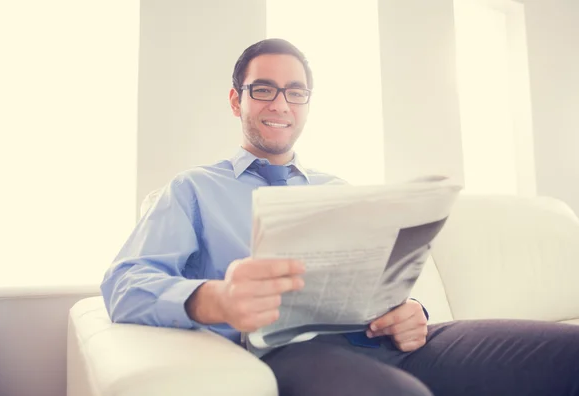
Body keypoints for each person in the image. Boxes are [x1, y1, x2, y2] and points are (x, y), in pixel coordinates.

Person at [101, 38, 579, 396]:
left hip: (398, 343)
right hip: (292, 354)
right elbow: (124, 282)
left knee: (566, 353)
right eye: (263, 89)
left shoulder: (337, 191)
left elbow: (384, 284)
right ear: (236, 100)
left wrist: (409, 313)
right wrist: (216, 300)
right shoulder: (193, 189)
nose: (280, 104)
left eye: (295, 92)